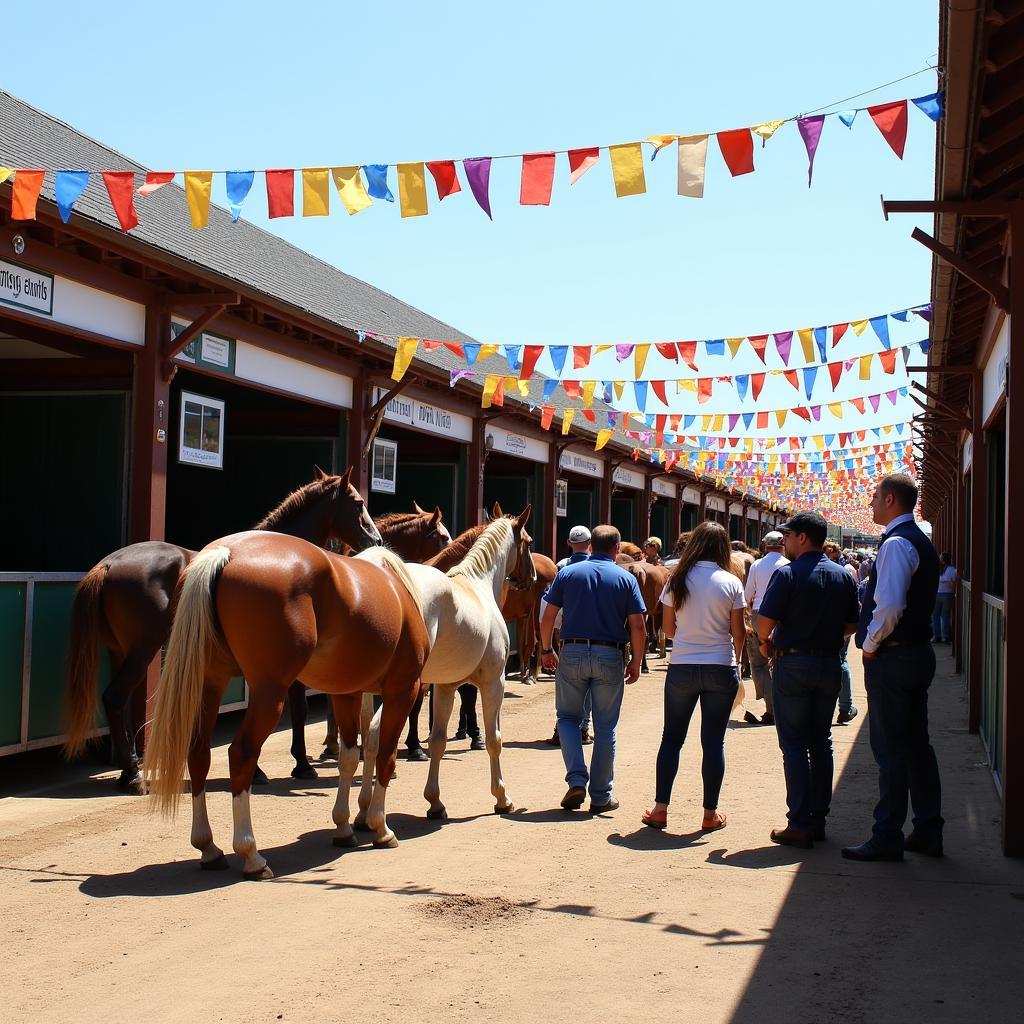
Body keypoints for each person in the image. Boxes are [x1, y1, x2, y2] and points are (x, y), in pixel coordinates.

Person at [844, 475, 944, 862]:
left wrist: (869, 646)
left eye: (873, 498)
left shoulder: (897, 543)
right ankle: (927, 828)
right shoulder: (916, 540)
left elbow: (888, 606)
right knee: (917, 745)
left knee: (890, 748)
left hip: (896, 656)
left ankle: (887, 834)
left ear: (890, 499)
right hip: (915, 653)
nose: (870, 504)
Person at [755, 511, 860, 849]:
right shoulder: (844, 576)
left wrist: (765, 640)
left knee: (795, 745)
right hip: (828, 662)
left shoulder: (788, 575)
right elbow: (851, 625)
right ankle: (817, 818)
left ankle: (798, 822)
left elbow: (764, 624)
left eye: (787, 535)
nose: (783, 541)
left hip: (793, 664)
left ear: (802, 538)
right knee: (821, 741)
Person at [641, 522, 745, 833]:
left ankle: (660, 809)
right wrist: (736, 662)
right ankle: (709, 813)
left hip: (683, 665)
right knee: (713, 742)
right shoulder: (731, 582)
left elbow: (668, 629)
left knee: (671, 739)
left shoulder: (678, 580)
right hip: (720, 666)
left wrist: (689, 636)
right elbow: (737, 632)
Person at [539, 525, 647, 813]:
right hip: (610, 654)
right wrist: (636, 660)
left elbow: (548, 615)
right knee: (605, 727)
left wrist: (547, 649)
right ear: (616, 548)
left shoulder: (567, 574)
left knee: (567, 718)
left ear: (590, 546)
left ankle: (576, 779)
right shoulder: (625, 578)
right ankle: (600, 796)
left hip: (572, 651)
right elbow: (638, 625)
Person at [544, 525, 594, 745]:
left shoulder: (562, 567)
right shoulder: (600, 565)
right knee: (591, 686)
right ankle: (583, 727)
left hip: (568, 634)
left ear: (568, 543)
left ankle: (562, 728)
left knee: (566, 685)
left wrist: (549, 643)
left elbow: (550, 606)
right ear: (590, 543)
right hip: (598, 633)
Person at [742, 530, 788, 725]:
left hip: (760, 615)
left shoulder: (757, 565)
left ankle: (770, 709)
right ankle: (784, 707)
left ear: (764, 545)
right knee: (783, 662)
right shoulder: (789, 565)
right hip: (785, 616)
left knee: (759, 663)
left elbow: (747, 595)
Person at [823, 541, 860, 726]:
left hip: (823, 627)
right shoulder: (845, 572)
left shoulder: (812, 571)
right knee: (841, 661)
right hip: (842, 624)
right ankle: (845, 707)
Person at [932, 552, 957, 644]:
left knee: (935, 616)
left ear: (942, 560)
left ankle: (936, 636)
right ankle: (945, 637)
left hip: (937, 594)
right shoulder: (952, 570)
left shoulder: (938, 570)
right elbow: (954, 584)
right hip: (948, 595)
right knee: (945, 616)